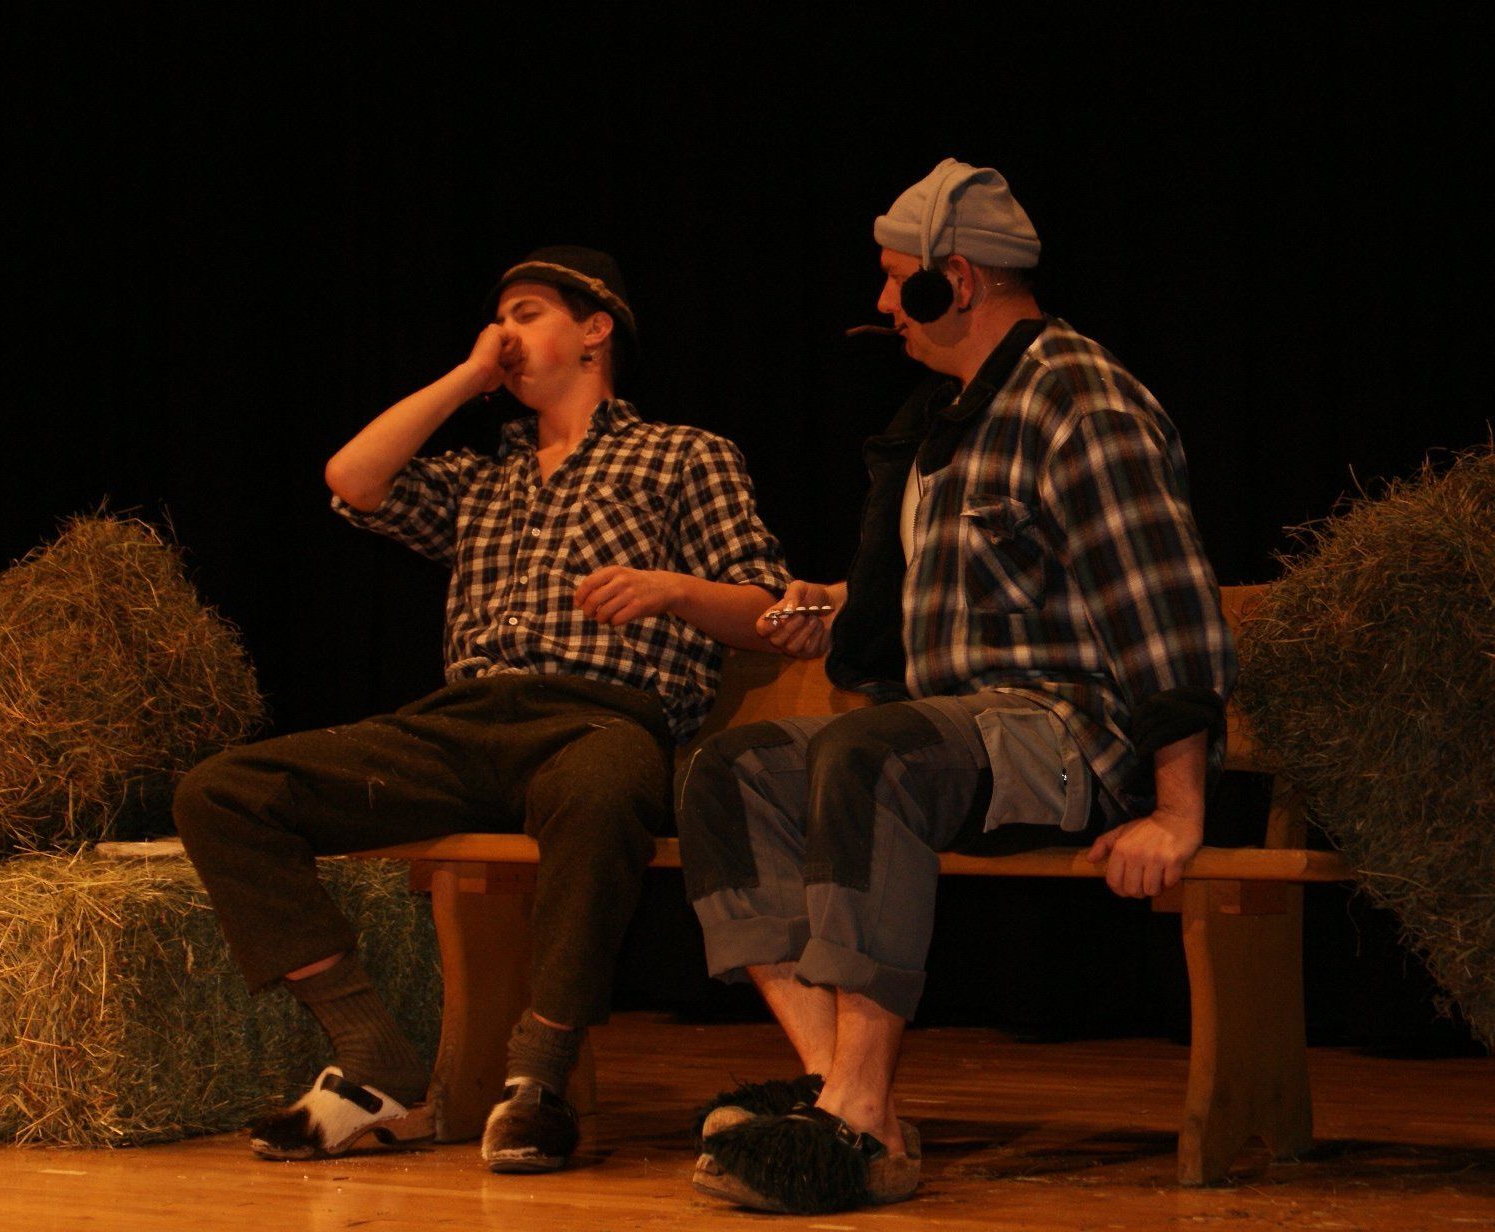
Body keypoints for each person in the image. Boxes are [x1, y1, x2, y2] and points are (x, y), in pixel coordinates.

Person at [678, 161, 1236, 1214]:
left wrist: (1178, 809)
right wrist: (833, 605)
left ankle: (855, 1117)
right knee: (728, 769)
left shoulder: (1078, 398)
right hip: (954, 732)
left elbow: (1163, 602)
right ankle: (842, 1097)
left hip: (1068, 734)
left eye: (901, 279)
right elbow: (951, 593)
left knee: (872, 750)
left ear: (959, 279)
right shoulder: (950, 420)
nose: (885, 302)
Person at [173, 246, 791, 1173]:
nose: (504, 332)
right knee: (223, 792)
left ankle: (538, 1078)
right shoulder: (481, 476)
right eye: (498, 317)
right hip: (463, 725)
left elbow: (767, 607)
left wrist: (671, 588)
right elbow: (353, 479)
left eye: (527, 312)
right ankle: (372, 1055)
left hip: (595, 718)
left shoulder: (681, 455)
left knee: (601, 792)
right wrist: (469, 378)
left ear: (596, 329)